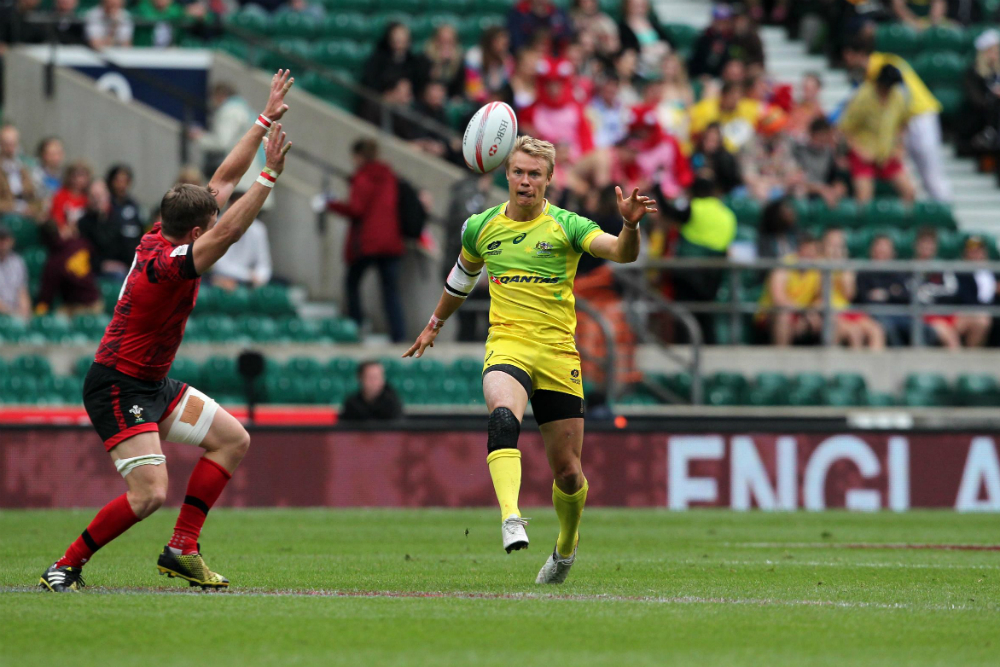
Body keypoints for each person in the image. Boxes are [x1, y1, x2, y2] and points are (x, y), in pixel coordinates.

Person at [38, 69, 295, 593]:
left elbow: (221, 181)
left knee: (232, 440)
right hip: (116, 384)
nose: (217, 202)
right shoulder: (168, 266)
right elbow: (227, 231)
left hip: (151, 382)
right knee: (149, 493)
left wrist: (263, 119)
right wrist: (268, 177)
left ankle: (182, 549)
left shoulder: (164, 231)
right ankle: (64, 565)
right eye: (209, 216)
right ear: (194, 231)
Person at [404, 136, 656, 584]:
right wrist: (434, 324)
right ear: (506, 173)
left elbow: (620, 253)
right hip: (508, 345)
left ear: (549, 179)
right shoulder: (480, 227)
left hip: (559, 354)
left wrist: (630, 228)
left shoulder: (567, 226)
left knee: (569, 473)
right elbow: (460, 279)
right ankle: (511, 516)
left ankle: (565, 546)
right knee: (503, 416)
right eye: (519, 172)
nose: (525, 181)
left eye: (535, 174)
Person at [317, 139, 406, 343]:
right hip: (392, 241)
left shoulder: (363, 177)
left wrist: (331, 204)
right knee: (390, 292)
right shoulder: (390, 176)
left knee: (352, 283)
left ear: (359, 156)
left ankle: (355, 327)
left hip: (368, 242)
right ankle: (398, 336)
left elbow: (357, 209)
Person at [842, 36, 950, 201]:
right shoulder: (884, 65)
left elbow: (901, 94)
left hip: (920, 113)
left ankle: (943, 206)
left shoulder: (879, 68)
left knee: (930, 172)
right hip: (905, 119)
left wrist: (898, 145)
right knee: (924, 175)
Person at [840, 64, 916, 204]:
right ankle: (863, 225)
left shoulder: (897, 97)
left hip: (886, 153)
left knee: (910, 191)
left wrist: (899, 147)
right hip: (863, 153)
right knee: (864, 196)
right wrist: (858, 150)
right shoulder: (863, 97)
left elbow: (902, 124)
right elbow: (845, 130)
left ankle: (902, 225)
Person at [194, 82, 270, 209]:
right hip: (252, 175)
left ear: (220, 96)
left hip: (242, 179)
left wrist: (199, 137)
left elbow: (221, 142)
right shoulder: (244, 109)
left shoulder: (230, 111)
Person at [78, 175, 143, 281]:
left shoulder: (119, 219)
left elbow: (128, 247)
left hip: (121, 267)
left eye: (99, 196)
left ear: (107, 196)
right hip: (96, 269)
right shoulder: (83, 223)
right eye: (93, 196)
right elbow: (84, 253)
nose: (97, 200)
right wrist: (102, 265)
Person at [856, 234, 914, 347]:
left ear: (893, 252)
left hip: (900, 313)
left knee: (920, 328)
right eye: (879, 247)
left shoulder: (900, 273)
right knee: (887, 327)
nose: (882, 250)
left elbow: (906, 296)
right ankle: (899, 359)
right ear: (872, 250)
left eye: (886, 247)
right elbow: (864, 299)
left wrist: (886, 294)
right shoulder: (864, 273)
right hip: (876, 314)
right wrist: (893, 293)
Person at [209, 189, 272, 290]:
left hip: (250, 283)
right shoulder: (216, 226)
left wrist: (259, 278)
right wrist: (249, 276)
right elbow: (219, 264)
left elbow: (264, 264)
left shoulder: (258, 229)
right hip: (221, 281)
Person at [793, 117, 850, 209]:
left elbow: (836, 179)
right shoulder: (798, 152)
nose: (821, 144)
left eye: (824, 140)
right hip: (803, 195)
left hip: (824, 196)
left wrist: (837, 189)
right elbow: (797, 181)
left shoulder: (829, 154)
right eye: (818, 139)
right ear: (811, 135)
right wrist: (821, 190)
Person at [963, 29, 1000, 155]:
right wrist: (992, 96)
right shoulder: (973, 72)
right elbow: (975, 98)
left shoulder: (997, 72)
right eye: (991, 51)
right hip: (979, 116)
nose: (995, 55)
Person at [617, 0, 671, 79]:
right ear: (628, 6)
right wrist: (646, 49)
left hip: (660, 62)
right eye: (635, 6)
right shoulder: (623, 27)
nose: (639, 9)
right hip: (639, 65)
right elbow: (627, 48)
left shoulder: (654, 24)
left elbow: (669, 43)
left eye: (642, 5)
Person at [339, 361, 404, 422]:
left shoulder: (392, 402)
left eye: (378, 377)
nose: (374, 382)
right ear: (360, 378)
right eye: (370, 377)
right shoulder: (352, 404)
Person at [0, 123, 41, 218]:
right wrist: (15, 207)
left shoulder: (24, 167)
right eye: (6, 144)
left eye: (13, 144)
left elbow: (33, 194)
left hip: (26, 211)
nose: (10, 149)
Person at [464, 26, 512, 104]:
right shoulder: (474, 55)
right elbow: (473, 90)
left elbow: (500, 87)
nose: (504, 46)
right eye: (500, 42)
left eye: (505, 43)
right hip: (474, 101)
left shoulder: (507, 59)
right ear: (491, 41)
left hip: (495, 100)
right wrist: (488, 97)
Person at [507, 0, 574, 54]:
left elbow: (567, 36)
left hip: (553, 57)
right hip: (527, 56)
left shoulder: (558, 13)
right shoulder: (519, 12)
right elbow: (516, 42)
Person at [688, 4, 735, 79]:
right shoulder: (704, 38)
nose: (721, 25)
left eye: (724, 21)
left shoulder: (734, 39)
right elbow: (695, 63)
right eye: (718, 21)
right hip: (705, 77)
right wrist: (712, 54)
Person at [48, 161, 92, 237]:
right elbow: (57, 218)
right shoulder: (61, 195)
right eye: (75, 176)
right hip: (66, 234)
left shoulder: (89, 197)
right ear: (69, 177)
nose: (78, 180)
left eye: (82, 176)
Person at [0, 222, 31, 320]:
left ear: (11, 241)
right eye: (0, 239)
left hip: (15, 314)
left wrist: (25, 314)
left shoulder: (18, 262)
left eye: (5, 239)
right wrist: (13, 314)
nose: (2, 243)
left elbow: (22, 292)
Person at [32, 137, 66, 204]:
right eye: (52, 154)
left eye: (59, 153)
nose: (56, 157)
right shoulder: (34, 175)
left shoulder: (66, 174)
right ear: (43, 155)